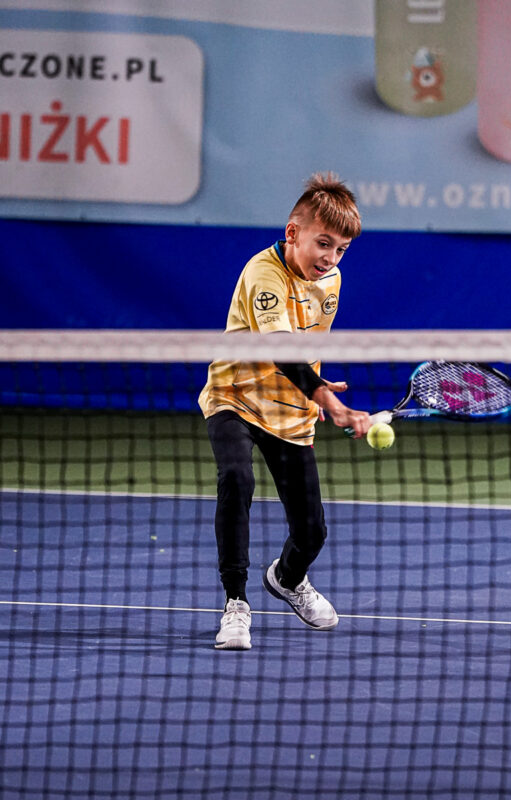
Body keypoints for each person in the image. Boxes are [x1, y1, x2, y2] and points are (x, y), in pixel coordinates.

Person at [199, 173, 371, 650]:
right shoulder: (263, 273)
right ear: (293, 233)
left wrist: (312, 392)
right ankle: (236, 603)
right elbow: (280, 347)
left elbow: (306, 346)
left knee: (312, 531)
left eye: (341, 249)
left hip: (291, 409)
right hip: (234, 395)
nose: (331, 258)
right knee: (237, 479)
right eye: (323, 243)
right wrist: (329, 400)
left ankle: (288, 579)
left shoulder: (331, 280)